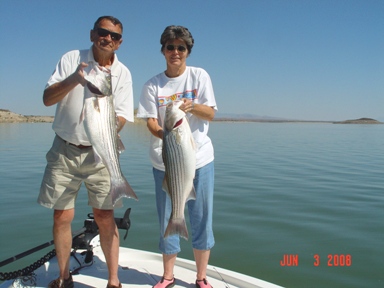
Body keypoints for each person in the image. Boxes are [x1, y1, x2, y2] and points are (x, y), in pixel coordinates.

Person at [37, 16, 133, 288]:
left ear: (120, 43)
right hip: (64, 149)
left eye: (114, 36)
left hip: (101, 151)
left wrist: (109, 125)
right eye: (103, 32)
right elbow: (47, 99)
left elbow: (124, 115)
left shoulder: (123, 73)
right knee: (61, 215)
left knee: (105, 216)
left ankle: (114, 281)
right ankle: (64, 277)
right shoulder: (72, 59)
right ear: (92, 34)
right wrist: (75, 79)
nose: (108, 39)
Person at [137, 25, 217, 288]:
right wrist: (168, 135)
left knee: (202, 218)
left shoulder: (199, 76)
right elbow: (150, 121)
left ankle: (201, 277)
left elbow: (211, 113)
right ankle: (168, 276)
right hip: (165, 162)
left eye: (181, 47)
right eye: (170, 47)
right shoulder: (152, 85)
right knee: (167, 218)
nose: (175, 52)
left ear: (188, 52)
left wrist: (191, 106)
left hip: (201, 160)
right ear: (163, 51)